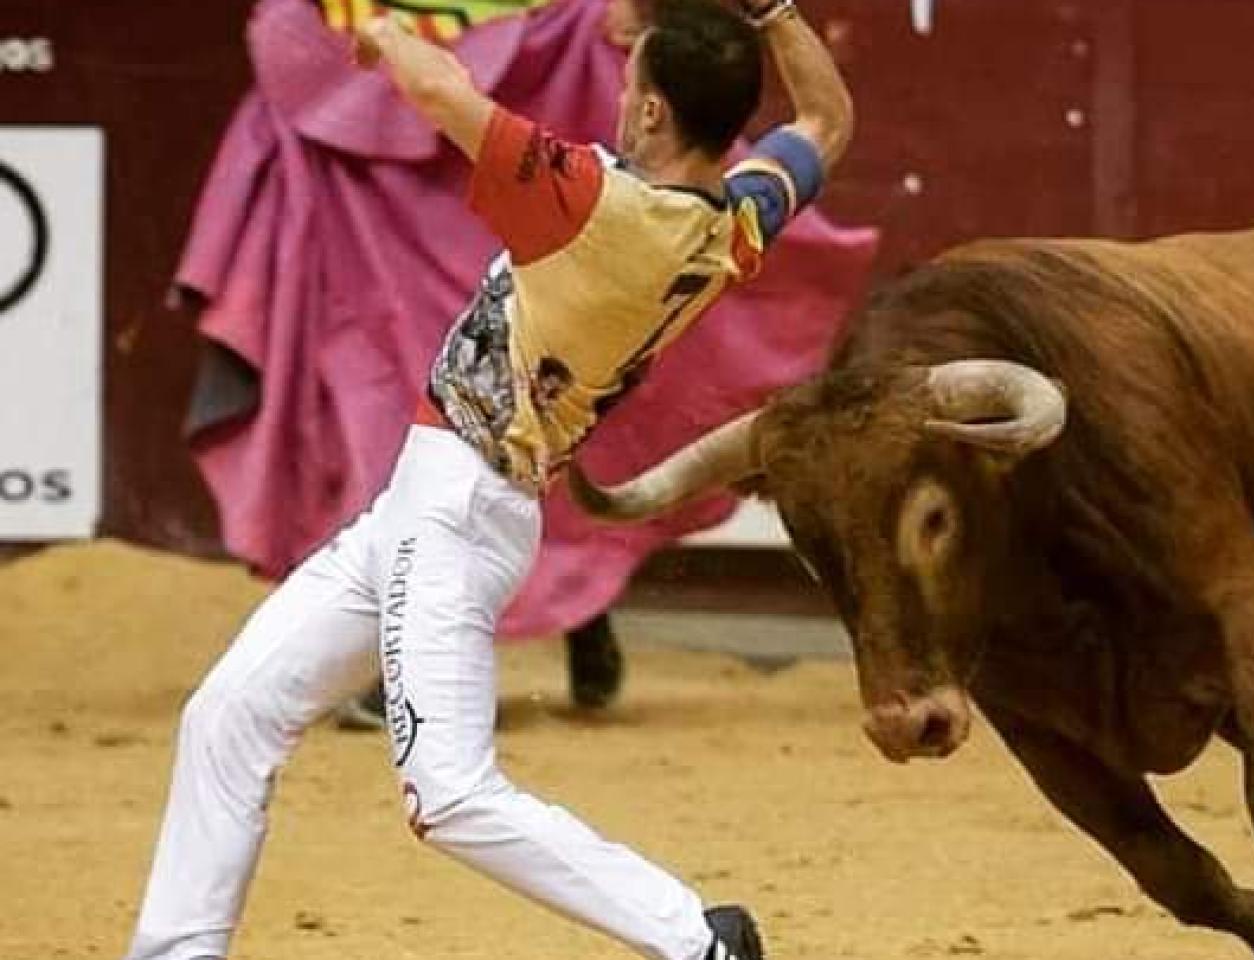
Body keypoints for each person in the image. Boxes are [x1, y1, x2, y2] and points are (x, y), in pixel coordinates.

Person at [120, 0, 853, 957]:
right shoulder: (739, 219)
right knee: (230, 715)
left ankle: (693, 940)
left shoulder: (588, 203)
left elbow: (441, 92)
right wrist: (779, 13)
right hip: (433, 505)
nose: (619, 99)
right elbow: (826, 120)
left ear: (652, 113)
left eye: (630, 85)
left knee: (450, 792)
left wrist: (381, 34)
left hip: (459, 508)